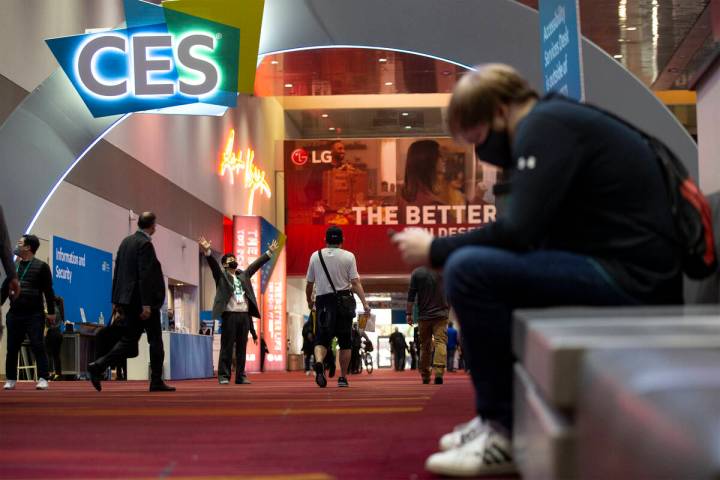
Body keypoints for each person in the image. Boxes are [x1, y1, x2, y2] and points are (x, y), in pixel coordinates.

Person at [392, 64, 684, 477]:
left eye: (477, 137)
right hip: (627, 269)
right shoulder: (557, 121)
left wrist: (435, 247)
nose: (481, 150)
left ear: (497, 111)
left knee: (469, 269)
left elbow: (518, 230)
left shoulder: (545, 126)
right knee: (478, 267)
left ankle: (503, 431)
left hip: (630, 279)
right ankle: (496, 421)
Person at [88, 212, 175, 392]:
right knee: (155, 340)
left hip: (127, 300)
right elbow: (144, 276)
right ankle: (156, 380)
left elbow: (117, 272)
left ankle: (98, 365)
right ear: (152, 226)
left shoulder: (125, 242)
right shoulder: (145, 245)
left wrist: (115, 299)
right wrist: (146, 304)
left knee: (128, 341)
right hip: (142, 303)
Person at [198, 235, 279, 385]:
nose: (234, 262)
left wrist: (269, 253)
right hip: (230, 315)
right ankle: (224, 375)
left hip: (243, 315)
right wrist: (208, 252)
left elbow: (255, 266)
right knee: (227, 347)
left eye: (234, 259)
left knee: (242, 348)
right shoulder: (221, 277)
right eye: (230, 260)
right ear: (224, 265)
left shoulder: (243, 275)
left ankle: (240, 376)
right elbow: (214, 266)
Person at [305, 226, 370, 388]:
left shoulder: (315, 256)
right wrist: (365, 303)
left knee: (321, 339)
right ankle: (342, 377)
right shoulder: (349, 256)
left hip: (323, 302)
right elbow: (355, 283)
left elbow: (309, 283)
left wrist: (309, 300)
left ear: (325, 240)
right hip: (343, 302)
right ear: (342, 240)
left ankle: (319, 362)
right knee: (345, 342)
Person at [2, 234, 55, 390]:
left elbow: (48, 291)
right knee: (12, 347)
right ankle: (11, 378)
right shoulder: (13, 266)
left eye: (20, 243)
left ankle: (43, 377)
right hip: (15, 313)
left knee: (37, 345)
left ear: (28, 247)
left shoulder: (42, 267)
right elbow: (5, 288)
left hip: (34, 314)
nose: (17, 245)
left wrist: (51, 312)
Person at [407, 267, 449, 384]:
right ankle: (439, 373)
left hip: (424, 316)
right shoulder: (444, 271)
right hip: (441, 315)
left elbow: (411, 295)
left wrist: (408, 314)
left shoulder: (417, 273)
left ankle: (425, 375)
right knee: (440, 342)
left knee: (425, 346)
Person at [398, 140, 447, 223]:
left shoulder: (403, 198)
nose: (444, 160)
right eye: (440, 155)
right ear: (428, 161)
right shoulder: (433, 205)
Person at [45, 296, 65, 381]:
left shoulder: (52, 309)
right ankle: (56, 373)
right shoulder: (59, 309)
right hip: (57, 333)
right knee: (55, 355)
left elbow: (50, 322)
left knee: (51, 355)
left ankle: (54, 373)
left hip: (52, 333)